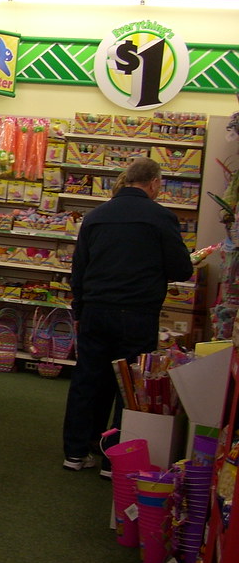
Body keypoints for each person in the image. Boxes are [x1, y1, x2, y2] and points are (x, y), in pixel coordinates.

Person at [62, 157, 193, 472]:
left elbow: (78, 271)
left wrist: (79, 310)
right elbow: (181, 268)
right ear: (154, 183)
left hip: (95, 310)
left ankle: (75, 453)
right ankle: (115, 459)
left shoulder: (95, 217)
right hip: (137, 313)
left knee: (87, 380)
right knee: (129, 384)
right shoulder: (161, 218)